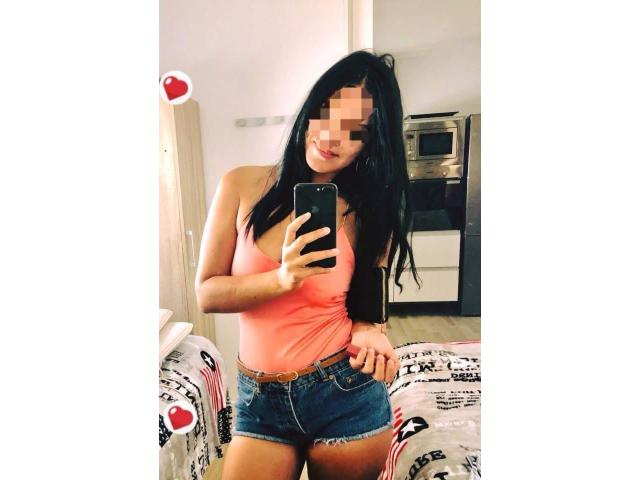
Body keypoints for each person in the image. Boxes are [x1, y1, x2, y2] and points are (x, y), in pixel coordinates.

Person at [195, 50, 419, 480]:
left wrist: (370, 330)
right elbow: (207, 294)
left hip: (343, 392)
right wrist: (283, 278)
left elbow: (367, 301)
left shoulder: (367, 210)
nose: (332, 137)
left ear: (371, 144)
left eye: (355, 131)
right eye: (328, 113)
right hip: (259, 399)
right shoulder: (240, 185)